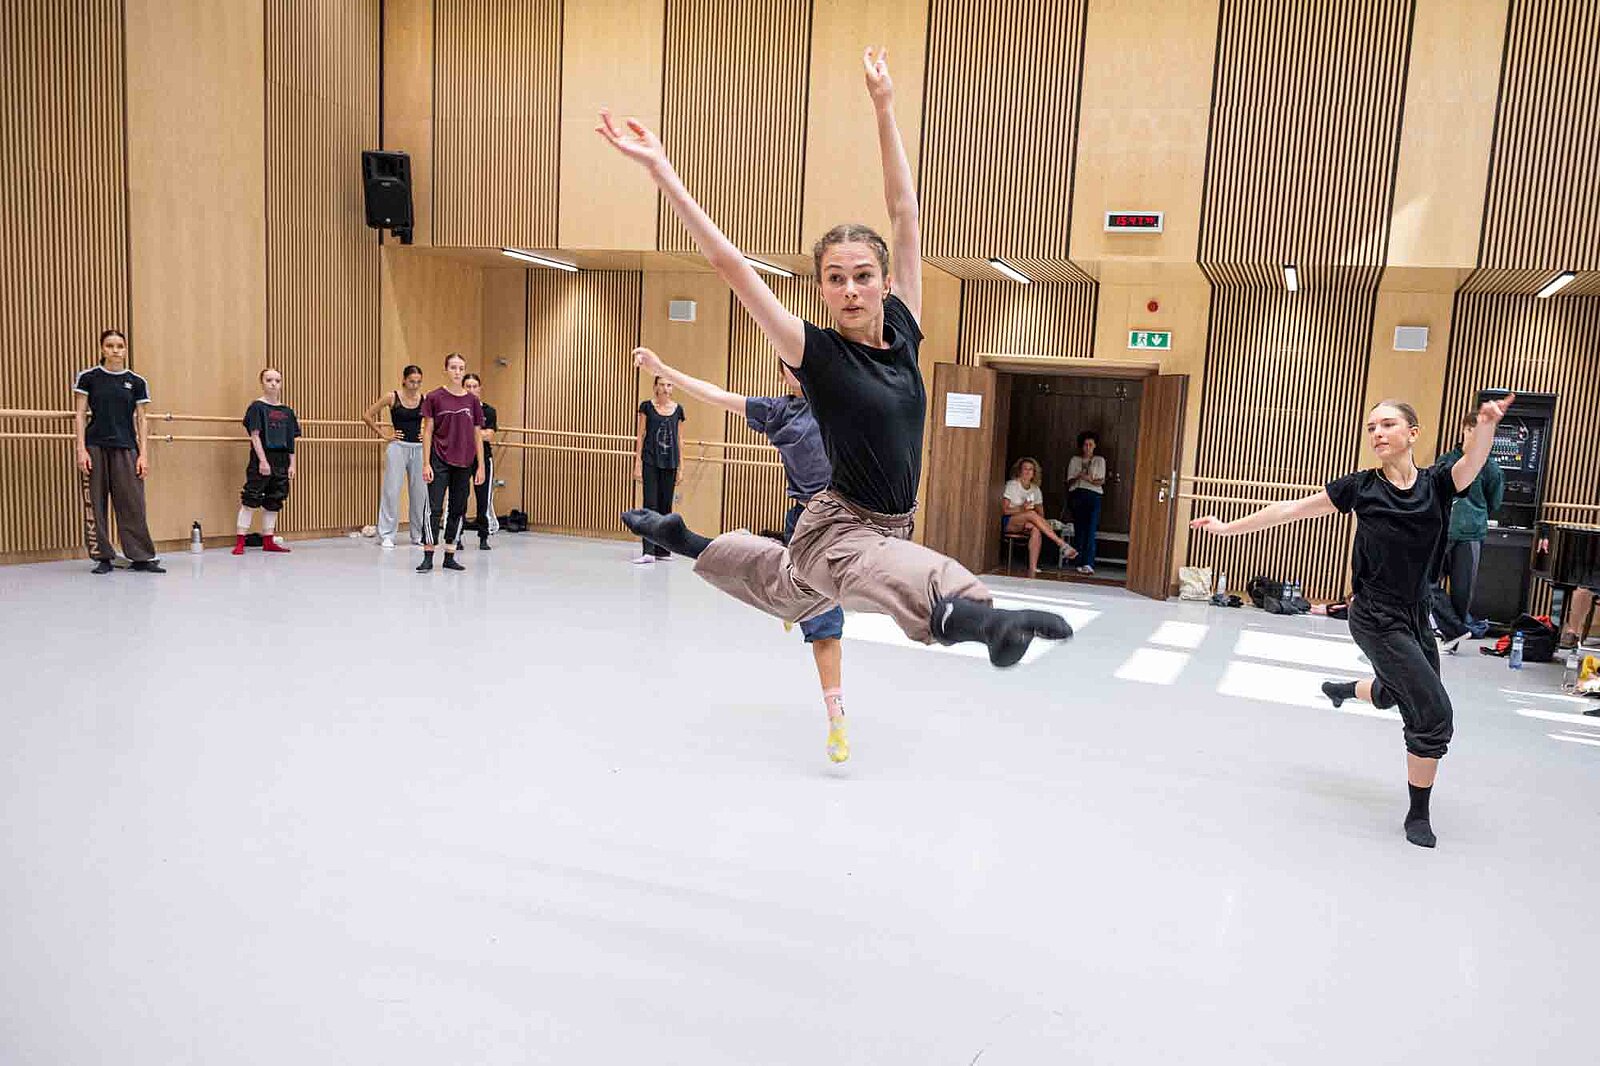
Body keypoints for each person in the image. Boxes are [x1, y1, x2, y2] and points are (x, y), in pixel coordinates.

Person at [597, 47, 1070, 667]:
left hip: (882, 526)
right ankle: (981, 622)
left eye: (863, 276)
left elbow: (904, 212)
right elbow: (729, 264)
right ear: (821, 288)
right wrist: (663, 172)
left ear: (885, 283)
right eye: (836, 278)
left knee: (782, 586)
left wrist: (884, 105)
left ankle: (681, 538)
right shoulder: (815, 353)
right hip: (840, 528)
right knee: (898, 572)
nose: (850, 289)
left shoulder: (904, 328)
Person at [1191, 393, 1515, 849]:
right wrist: (1227, 527)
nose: (1377, 433)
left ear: (1412, 433)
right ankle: (1418, 814)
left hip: (1416, 613)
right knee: (1433, 714)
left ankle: (1343, 689)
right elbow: (1290, 510)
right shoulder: (1361, 487)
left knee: (1394, 691)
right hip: (1374, 616)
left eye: (1388, 424)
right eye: (1372, 427)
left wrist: (1486, 425)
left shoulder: (1439, 484)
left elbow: (1474, 460)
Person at [633, 345, 851, 761]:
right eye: (792, 369)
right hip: (803, 526)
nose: (801, 374)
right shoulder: (778, 412)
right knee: (813, 613)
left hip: (843, 527)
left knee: (826, 624)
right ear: (784, 375)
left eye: (808, 367)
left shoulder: (844, 403)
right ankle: (791, 601)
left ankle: (836, 717)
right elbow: (715, 395)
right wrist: (663, 369)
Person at [73, 328, 162, 574]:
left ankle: (141, 556)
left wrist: (143, 454)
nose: (115, 350)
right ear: (102, 349)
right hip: (95, 446)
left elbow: (142, 419)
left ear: (125, 350)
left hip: (127, 447)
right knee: (96, 502)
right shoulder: (88, 377)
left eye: (120, 346)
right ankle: (103, 557)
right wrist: (81, 449)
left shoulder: (137, 381)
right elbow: (79, 415)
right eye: (110, 346)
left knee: (133, 503)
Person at [1436, 410, 1504, 651]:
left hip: (1471, 534)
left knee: (1462, 592)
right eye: (1470, 431)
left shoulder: (1491, 467)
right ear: (1463, 430)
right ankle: (1454, 628)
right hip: (1441, 532)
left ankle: (1452, 639)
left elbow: (1494, 501)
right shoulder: (1445, 461)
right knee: (1427, 583)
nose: (1474, 437)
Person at [418, 353, 486, 573]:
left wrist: (481, 466)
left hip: (464, 461)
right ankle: (428, 554)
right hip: (439, 459)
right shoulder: (434, 397)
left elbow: (477, 434)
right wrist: (426, 463)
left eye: (461, 368)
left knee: (458, 507)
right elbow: (428, 431)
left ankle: (450, 554)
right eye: (453, 367)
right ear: (445, 370)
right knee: (434, 508)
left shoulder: (472, 401)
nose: (457, 372)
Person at [232, 368, 301, 554]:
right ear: (262, 383)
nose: (273, 384)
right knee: (251, 497)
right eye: (269, 380)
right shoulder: (257, 407)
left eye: (277, 380)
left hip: (281, 460)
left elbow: (291, 440)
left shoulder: (287, 411)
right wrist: (263, 461)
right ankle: (240, 541)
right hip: (262, 456)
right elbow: (254, 435)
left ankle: (268, 540)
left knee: (275, 499)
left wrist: (292, 464)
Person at [363, 365, 428, 550]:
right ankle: (386, 534)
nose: (415, 385)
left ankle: (418, 534)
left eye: (418, 382)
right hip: (397, 447)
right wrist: (384, 435)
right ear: (404, 380)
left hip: (419, 448)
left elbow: (434, 421)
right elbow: (367, 415)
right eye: (412, 381)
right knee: (391, 491)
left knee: (420, 493)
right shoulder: (392, 397)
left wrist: (426, 433)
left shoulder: (424, 399)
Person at [632, 376, 685, 564]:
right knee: (650, 505)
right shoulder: (646, 407)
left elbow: (679, 439)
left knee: (666, 507)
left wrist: (681, 467)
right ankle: (648, 550)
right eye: (661, 384)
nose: (665, 388)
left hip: (670, 462)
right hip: (650, 460)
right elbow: (640, 435)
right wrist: (638, 463)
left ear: (673, 388)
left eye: (669, 385)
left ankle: (663, 549)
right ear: (655, 386)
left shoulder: (678, 410)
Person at [1001, 457, 1076, 577]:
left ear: (1034, 473)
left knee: (1036, 529)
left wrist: (1032, 522)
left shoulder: (1035, 489)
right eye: (1025, 469)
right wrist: (1022, 509)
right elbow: (1004, 510)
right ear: (1019, 471)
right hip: (1009, 521)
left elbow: (1041, 515)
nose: (1028, 471)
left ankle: (1032, 568)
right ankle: (1061, 544)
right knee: (1031, 514)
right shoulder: (1012, 485)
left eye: (1030, 469)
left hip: (1027, 522)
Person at [460, 372, 498, 551]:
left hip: (483, 458)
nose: (471, 390)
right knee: (460, 497)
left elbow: (489, 435)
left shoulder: (489, 411)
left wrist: (469, 433)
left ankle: (483, 536)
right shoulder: (457, 410)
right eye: (468, 386)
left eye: (474, 386)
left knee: (483, 498)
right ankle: (456, 536)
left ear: (480, 388)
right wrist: (477, 434)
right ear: (463, 388)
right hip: (461, 457)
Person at [1066, 431, 1106, 575]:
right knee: (1079, 529)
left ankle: (1088, 563)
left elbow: (1101, 481)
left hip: (1094, 495)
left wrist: (1089, 479)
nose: (1088, 447)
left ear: (1094, 446)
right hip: (1078, 494)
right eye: (1085, 445)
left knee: (1091, 528)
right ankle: (1078, 561)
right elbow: (1069, 481)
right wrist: (1079, 476)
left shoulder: (1099, 460)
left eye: (1090, 445)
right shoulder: (1075, 460)